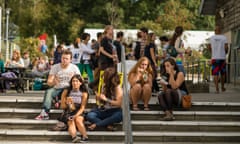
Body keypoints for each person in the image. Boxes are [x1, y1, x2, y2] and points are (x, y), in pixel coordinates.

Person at [35, 50, 81, 120]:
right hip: (58, 88)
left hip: (69, 89)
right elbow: (49, 82)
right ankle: (45, 113)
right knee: (49, 91)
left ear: (70, 60)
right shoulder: (55, 67)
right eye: (63, 58)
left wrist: (74, 80)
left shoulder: (74, 68)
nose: (64, 60)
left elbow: (80, 81)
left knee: (68, 92)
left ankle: (64, 108)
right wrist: (54, 82)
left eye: (66, 59)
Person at [60, 74, 88, 143]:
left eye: (77, 81)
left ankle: (85, 137)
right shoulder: (66, 91)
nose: (75, 83)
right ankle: (74, 137)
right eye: (73, 81)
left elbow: (82, 108)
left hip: (78, 111)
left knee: (78, 120)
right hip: (68, 111)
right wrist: (68, 103)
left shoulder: (84, 93)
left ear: (80, 83)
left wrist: (75, 116)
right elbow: (62, 106)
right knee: (70, 121)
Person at [208, 26, 228, 93]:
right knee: (223, 73)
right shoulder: (224, 38)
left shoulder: (211, 38)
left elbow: (209, 47)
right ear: (220, 31)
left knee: (215, 74)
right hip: (222, 58)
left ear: (215, 31)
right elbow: (226, 48)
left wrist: (213, 52)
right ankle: (222, 87)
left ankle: (217, 89)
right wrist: (225, 53)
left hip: (214, 58)